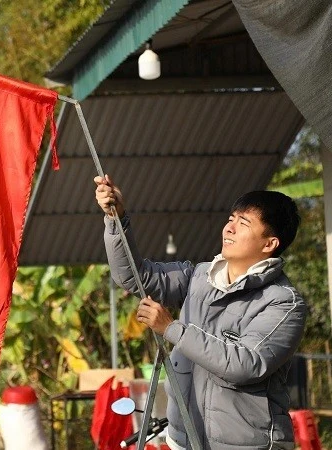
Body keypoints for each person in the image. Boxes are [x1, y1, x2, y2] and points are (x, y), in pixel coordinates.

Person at [94, 175, 307, 450]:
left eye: (243, 223)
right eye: (231, 219)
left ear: (269, 244)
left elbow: (246, 365)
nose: (229, 228)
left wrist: (171, 329)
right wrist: (116, 219)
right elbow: (136, 277)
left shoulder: (283, 303)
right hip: (184, 439)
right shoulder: (198, 276)